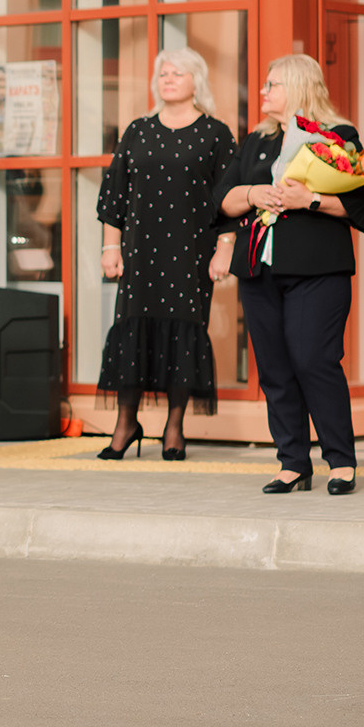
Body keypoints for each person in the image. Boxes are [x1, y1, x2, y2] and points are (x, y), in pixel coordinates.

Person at [213, 54, 364, 495]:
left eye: (272, 85)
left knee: (314, 361)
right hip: (259, 270)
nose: (262, 92)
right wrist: (252, 193)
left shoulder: (339, 137)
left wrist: (310, 200)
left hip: (317, 270)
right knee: (274, 368)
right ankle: (293, 463)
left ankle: (340, 461)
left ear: (299, 87)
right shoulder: (256, 141)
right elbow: (222, 199)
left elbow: (360, 206)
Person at [93, 48, 237, 461]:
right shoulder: (137, 131)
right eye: (163, 73)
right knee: (132, 333)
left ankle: (174, 428)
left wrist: (224, 249)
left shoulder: (216, 134)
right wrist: (110, 247)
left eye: (178, 73)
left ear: (196, 81)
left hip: (192, 253)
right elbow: (114, 197)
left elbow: (229, 199)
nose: (168, 79)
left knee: (183, 336)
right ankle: (126, 424)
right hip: (140, 254)